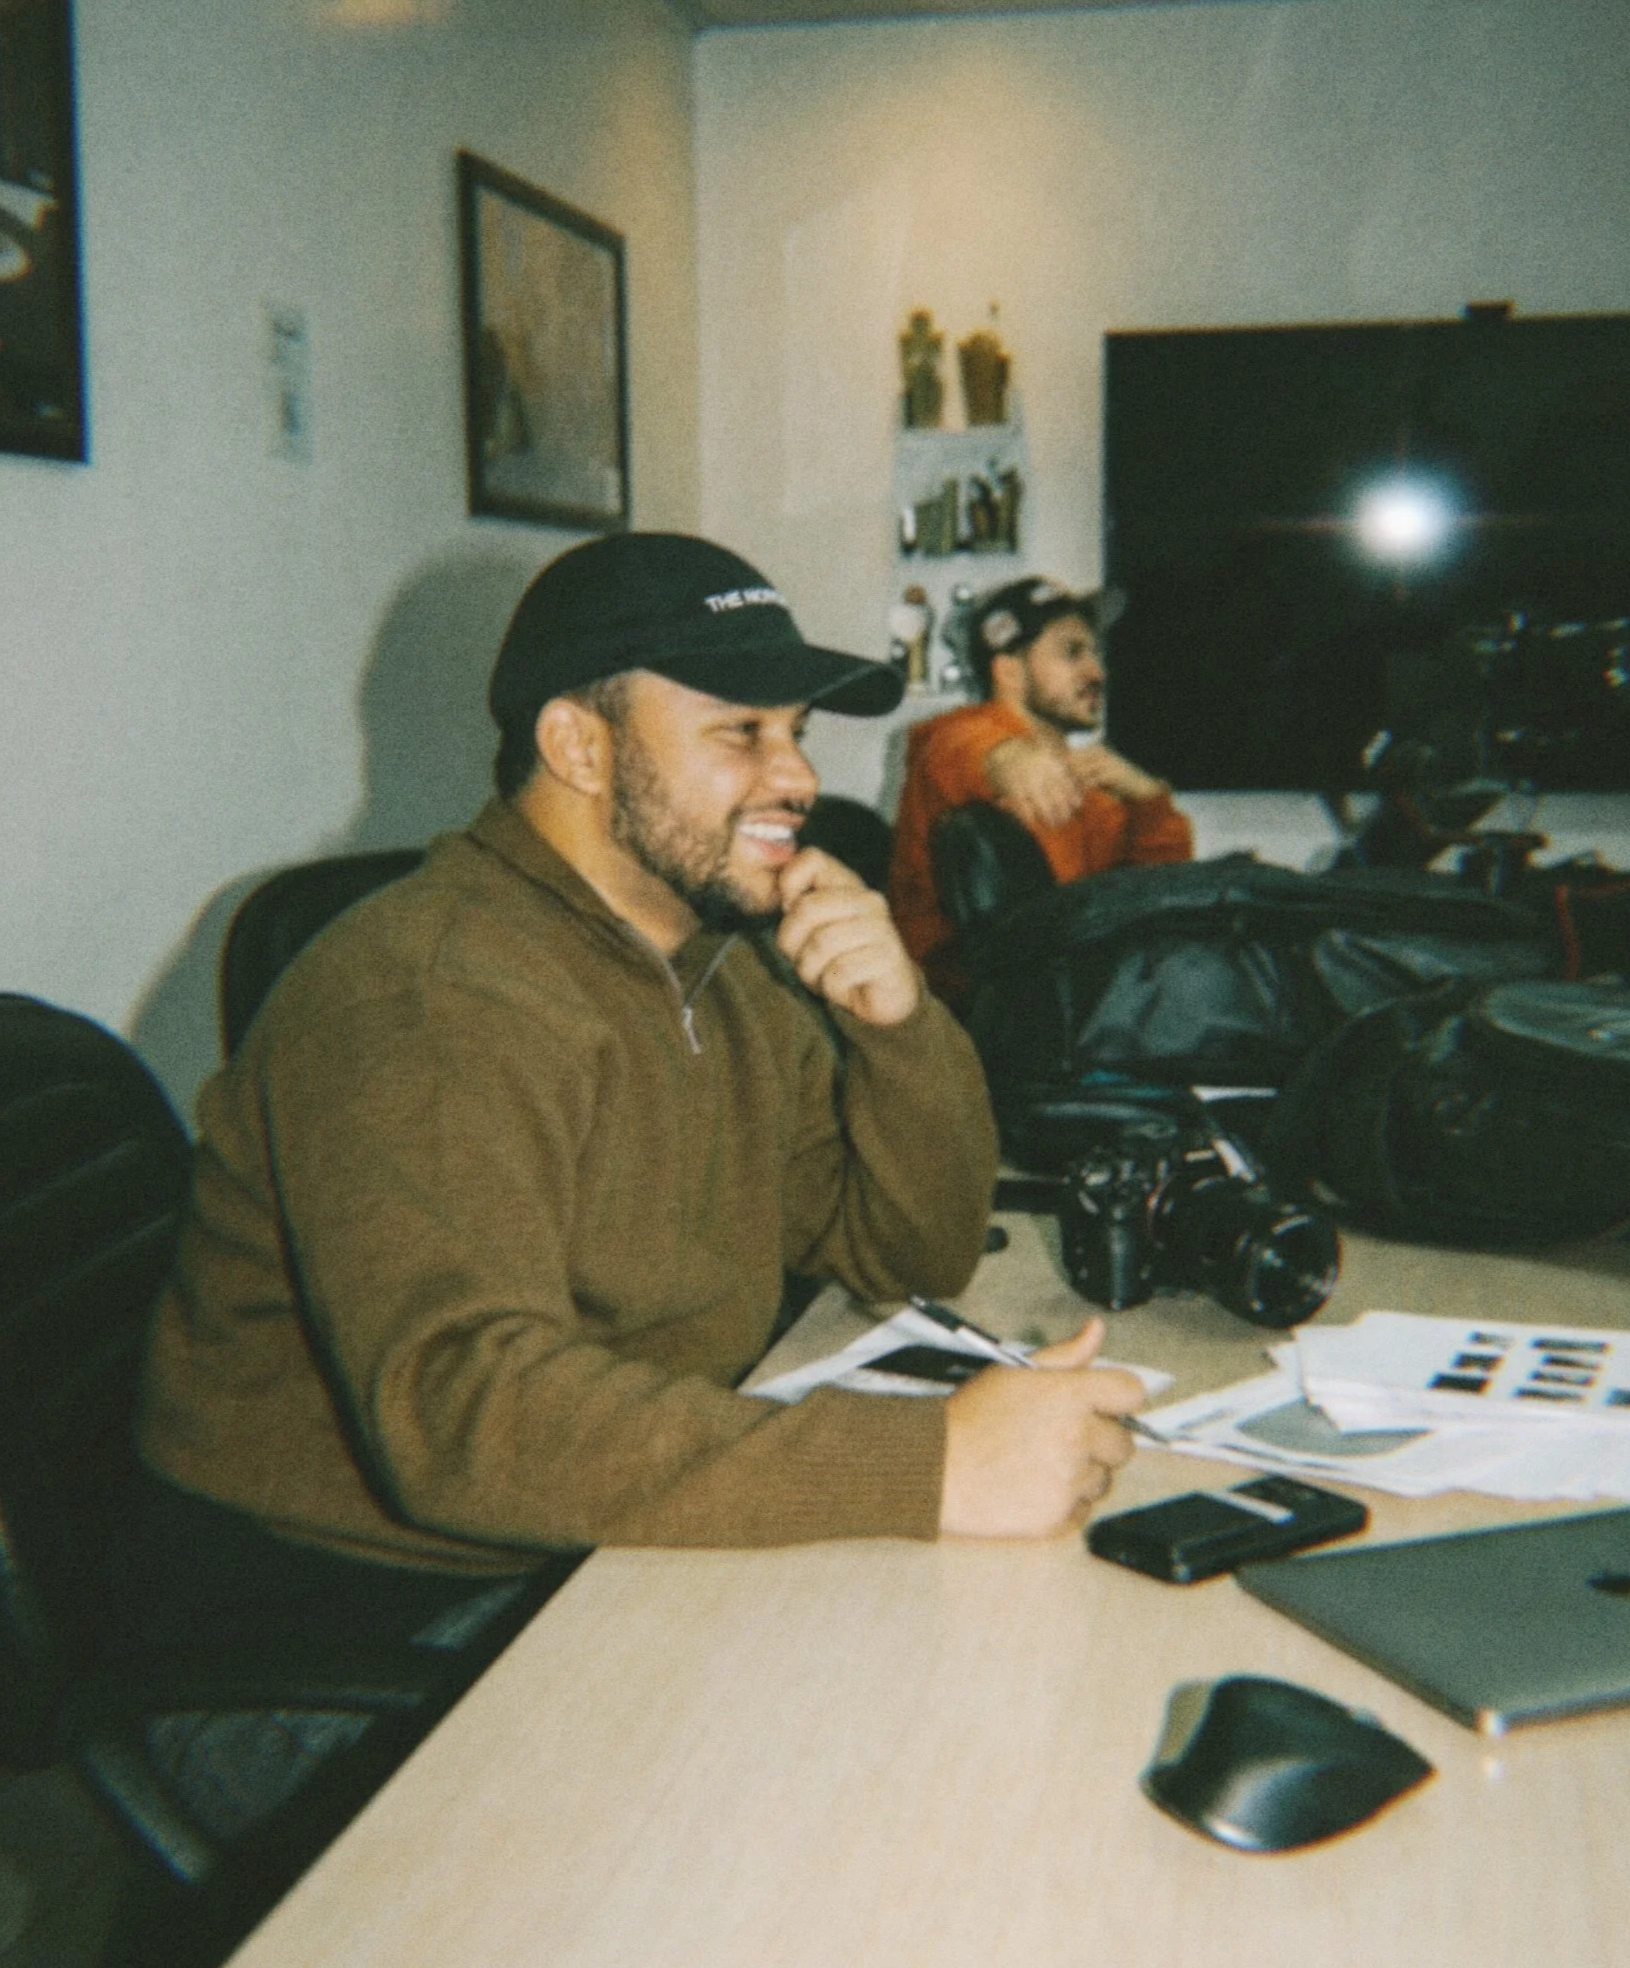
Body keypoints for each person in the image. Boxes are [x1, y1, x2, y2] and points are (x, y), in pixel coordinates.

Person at [123, 535, 1144, 1670]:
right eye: (740, 731)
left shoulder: (717, 962)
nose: (799, 778)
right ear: (579, 746)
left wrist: (895, 1027)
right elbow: (462, 1410)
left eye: (796, 734)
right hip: (348, 1617)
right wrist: (929, 1463)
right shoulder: (430, 995)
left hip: (580, 1528)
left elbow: (906, 1250)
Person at [888, 576, 1194, 1000]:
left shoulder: (1088, 784)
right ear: (1009, 670)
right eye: (1073, 652)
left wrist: (1148, 801)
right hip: (966, 1024)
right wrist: (1003, 757)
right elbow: (950, 748)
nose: (1097, 671)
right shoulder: (958, 744)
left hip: (1078, 1005)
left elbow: (1160, 893)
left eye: (1096, 653)